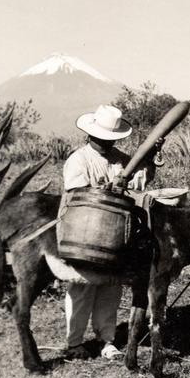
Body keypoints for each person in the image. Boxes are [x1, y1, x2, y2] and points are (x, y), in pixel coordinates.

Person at [61, 104, 159, 360]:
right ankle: (74, 343)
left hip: (116, 234)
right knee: (82, 286)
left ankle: (107, 340)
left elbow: (139, 178)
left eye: (110, 138)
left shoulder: (121, 159)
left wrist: (152, 159)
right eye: (103, 137)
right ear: (91, 134)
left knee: (110, 288)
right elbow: (75, 194)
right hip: (86, 234)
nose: (107, 142)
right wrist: (106, 188)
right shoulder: (79, 159)